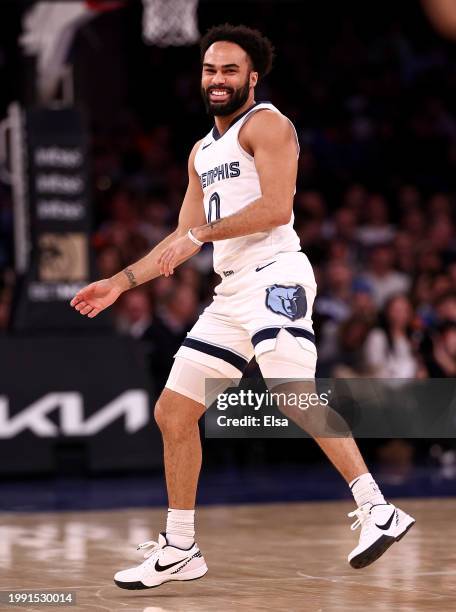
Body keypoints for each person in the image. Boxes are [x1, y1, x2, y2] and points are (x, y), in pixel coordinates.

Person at [70, 24, 415, 590]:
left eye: (230, 70)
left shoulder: (269, 124)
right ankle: (180, 547)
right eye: (210, 70)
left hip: (277, 273)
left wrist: (199, 235)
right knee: (173, 413)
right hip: (230, 292)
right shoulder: (201, 151)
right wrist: (118, 282)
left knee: (290, 390)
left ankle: (379, 509)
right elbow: (180, 236)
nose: (218, 79)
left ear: (252, 77)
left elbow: (277, 208)